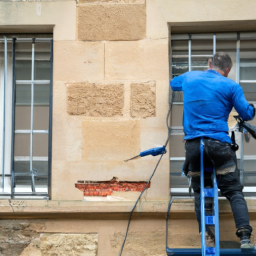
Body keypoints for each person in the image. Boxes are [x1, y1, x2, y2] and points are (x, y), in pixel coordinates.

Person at [170, 52, 256, 249]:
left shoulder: (190, 77)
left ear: (209, 63)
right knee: (234, 192)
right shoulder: (231, 85)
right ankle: (244, 238)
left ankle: (207, 237)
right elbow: (246, 113)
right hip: (219, 146)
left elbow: (173, 83)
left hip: (193, 147)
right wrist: (251, 109)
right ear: (227, 70)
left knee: (201, 191)